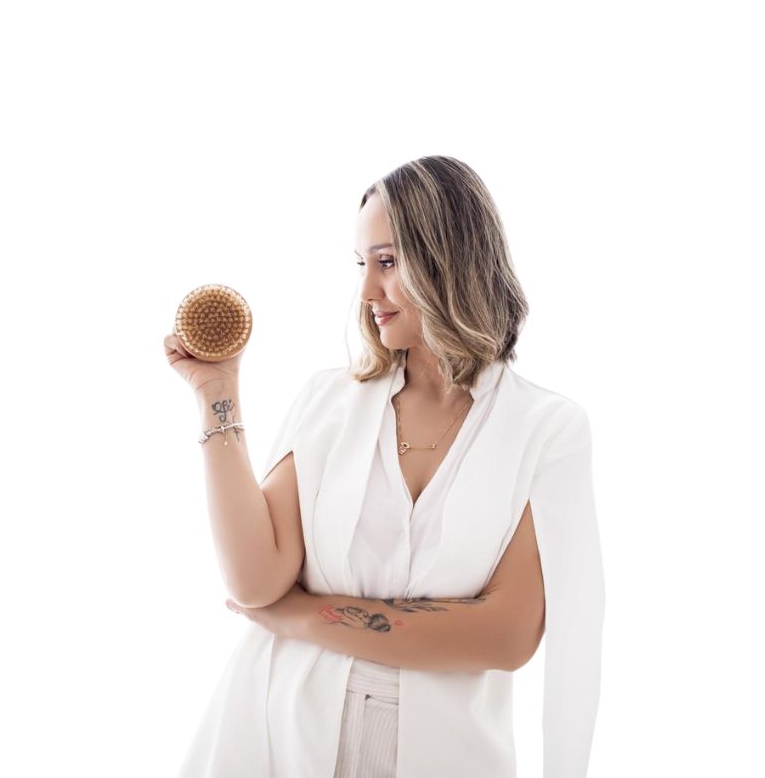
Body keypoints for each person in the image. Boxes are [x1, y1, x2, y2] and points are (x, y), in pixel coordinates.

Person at [164, 155, 605, 776]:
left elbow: (506, 636)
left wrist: (301, 615)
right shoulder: (328, 402)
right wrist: (217, 391)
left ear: (449, 260)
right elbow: (255, 581)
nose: (367, 291)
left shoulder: (545, 430)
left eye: (389, 262)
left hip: (446, 756)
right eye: (362, 265)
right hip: (283, 738)